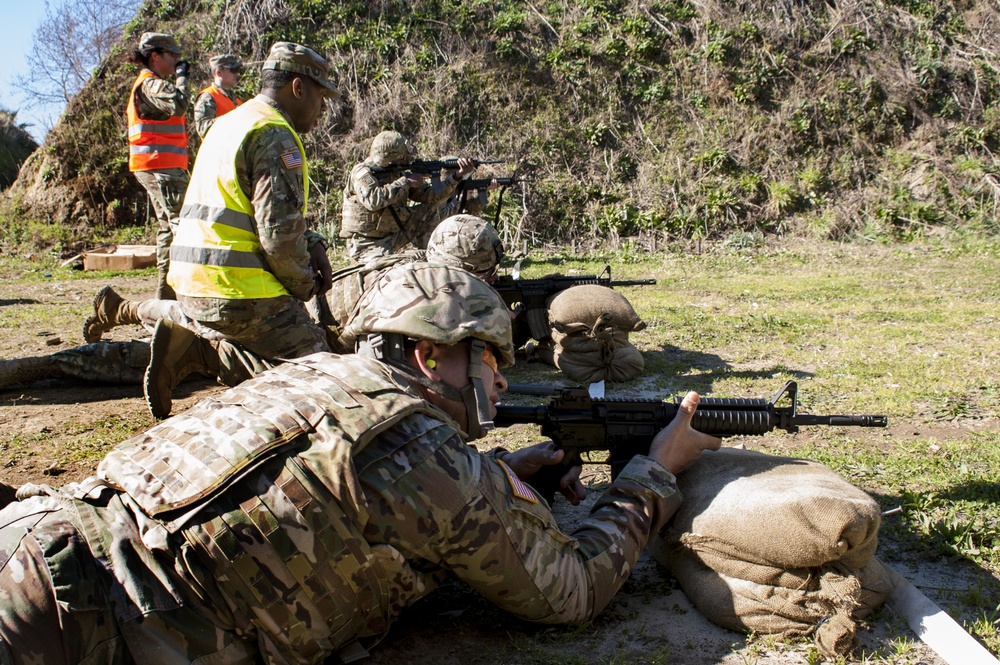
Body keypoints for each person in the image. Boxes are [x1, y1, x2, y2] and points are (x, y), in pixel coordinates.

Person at [0, 262, 721, 664]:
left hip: (39, 535)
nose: (501, 379)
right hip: (79, 626)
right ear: (429, 354)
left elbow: (323, 472)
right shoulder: (427, 458)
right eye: (489, 357)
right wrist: (653, 472)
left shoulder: (309, 372)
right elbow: (571, 592)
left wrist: (498, 472)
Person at [151, 41, 341, 419]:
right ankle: (208, 352)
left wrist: (313, 241)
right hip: (237, 291)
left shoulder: (231, 121)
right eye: (321, 96)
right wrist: (305, 285)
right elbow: (278, 239)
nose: (324, 109)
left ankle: (204, 342)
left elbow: (243, 209)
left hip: (191, 282)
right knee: (328, 381)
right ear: (298, 88)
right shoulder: (275, 135)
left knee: (286, 366)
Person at [340, 130, 477, 261]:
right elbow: (373, 201)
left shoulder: (399, 172)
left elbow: (431, 196)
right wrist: (406, 182)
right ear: (393, 158)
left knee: (431, 209)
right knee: (383, 269)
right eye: (404, 157)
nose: (407, 160)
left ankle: (430, 254)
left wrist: (456, 176)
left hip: (393, 236)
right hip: (366, 242)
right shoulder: (362, 173)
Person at [126, 31, 191, 299]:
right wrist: (182, 77)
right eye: (172, 56)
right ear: (155, 56)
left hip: (158, 165)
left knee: (168, 228)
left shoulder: (148, 83)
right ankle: (182, 292)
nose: (176, 61)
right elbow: (179, 104)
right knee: (183, 226)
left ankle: (166, 295)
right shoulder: (151, 84)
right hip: (160, 166)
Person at [193, 53, 243, 139]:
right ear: (219, 73)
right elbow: (203, 129)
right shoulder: (208, 96)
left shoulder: (236, 99)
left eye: (238, 69)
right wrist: (232, 119)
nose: (237, 74)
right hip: (217, 151)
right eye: (233, 70)